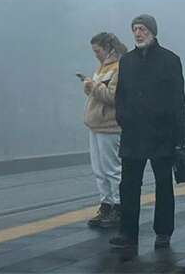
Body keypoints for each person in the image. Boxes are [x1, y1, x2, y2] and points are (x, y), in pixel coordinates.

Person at [111, 14, 185, 252]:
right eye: (134, 29)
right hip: (133, 134)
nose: (137, 33)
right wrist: (122, 118)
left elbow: (179, 100)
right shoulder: (126, 61)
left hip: (162, 134)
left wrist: (182, 135)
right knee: (129, 185)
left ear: (153, 32)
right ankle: (128, 233)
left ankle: (163, 232)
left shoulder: (170, 60)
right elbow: (120, 95)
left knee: (163, 185)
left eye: (142, 29)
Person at [83, 32, 126, 229]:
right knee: (99, 169)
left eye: (97, 51)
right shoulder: (103, 67)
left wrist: (92, 86)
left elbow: (112, 97)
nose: (96, 55)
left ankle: (119, 206)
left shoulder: (119, 67)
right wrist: (90, 87)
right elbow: (100, 92)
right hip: (96, 124)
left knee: (112, 168)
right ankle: (106, 204)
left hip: (109, 126)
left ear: (108, 48)